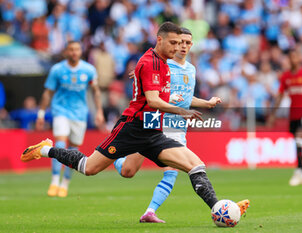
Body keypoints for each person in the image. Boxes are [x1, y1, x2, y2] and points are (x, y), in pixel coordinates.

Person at [21, 22, 249, 220]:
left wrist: (200, 103)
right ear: (160, 40)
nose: (178, 47)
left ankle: (219, 208)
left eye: (182, 43)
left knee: (195, 165)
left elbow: (166, 93)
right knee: (90, 168)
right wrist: (181, 111)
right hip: (131, 127)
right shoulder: (151, 63)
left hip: (154, 131)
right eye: (173, 43)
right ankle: (46, 149)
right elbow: (153, 100)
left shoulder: (165, 63)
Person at [113, 27, 228, 223]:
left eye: (188, 43)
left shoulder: (191, 69)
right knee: (128, 171)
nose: (183, 46)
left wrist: (206, 102)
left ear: (191, 45)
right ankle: (113, 157)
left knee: (172, 171)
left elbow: (186, 98)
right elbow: (151, 85)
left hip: (176, 127)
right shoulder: (163, 64)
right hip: (154, 122)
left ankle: (150, 212)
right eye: (180, 42)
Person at [35, 41, 104, 197]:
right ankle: (54, 182)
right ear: (66, 52)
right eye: (71, 50)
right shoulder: (57, 70)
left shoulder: (89, 70)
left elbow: (96, 91)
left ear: (81, 51)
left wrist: (99, 111)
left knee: (73, 150)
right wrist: (41, 113)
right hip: (61, 111)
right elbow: (48, 93)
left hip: (80, 114)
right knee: (59, 143)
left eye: (77, 49)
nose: (74, 52)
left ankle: (65, 183)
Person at [267, 48, 302, 186]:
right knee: (296, 140)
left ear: (299, 58)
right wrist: (273, 114)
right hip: (294, 113)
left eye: (295, 57)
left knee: (299, 136)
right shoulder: (286, 76)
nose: (292, 60)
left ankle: (299, 171)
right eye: (290, 57)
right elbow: (280, 95)